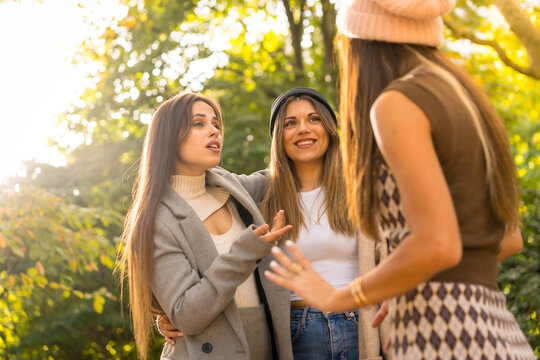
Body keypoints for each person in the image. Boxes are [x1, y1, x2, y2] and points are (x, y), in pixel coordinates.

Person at [264, 1, 536, 359]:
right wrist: (406, 287)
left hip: (443, 335)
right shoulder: (464, 96)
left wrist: (341, 296)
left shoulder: (396, 103)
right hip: (491, 327)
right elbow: (507, 238)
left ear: (362, 40)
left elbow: (438, 244)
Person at [159, 87, 390, 359]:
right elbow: (195, 195)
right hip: (295, 334)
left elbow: (395, 254)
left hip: (361, 325)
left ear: (329, 128)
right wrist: (167, 311)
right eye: (290, 123)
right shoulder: (255, 196)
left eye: (313, 119)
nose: (303, 129)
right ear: (278, 136)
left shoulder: (363, 189)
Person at [118, 92, 293, 360]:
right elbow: (186, 313)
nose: (214, 131)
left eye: (216, 124)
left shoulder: (228, 185)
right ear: (168, 138)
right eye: (199, 123)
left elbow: (278, 177)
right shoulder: (156, 220)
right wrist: (246, 252)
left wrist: (300, 134)